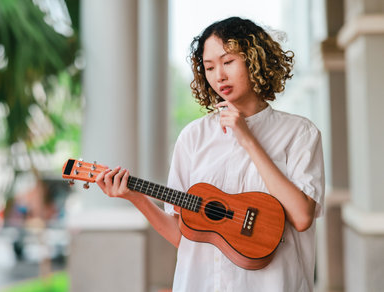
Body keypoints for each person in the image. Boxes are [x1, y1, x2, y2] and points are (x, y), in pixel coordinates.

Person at [95, 16, 325, 292]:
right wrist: (135, 197)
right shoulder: (193, 137)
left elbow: (301, 217)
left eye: (228, 62)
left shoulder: (300, 133)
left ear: (255, 59)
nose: (219, 76)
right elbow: (183, 235)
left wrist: (247, 139)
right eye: (209, 67)